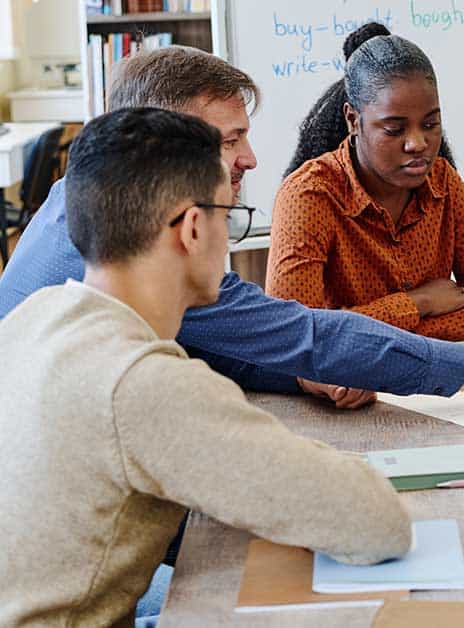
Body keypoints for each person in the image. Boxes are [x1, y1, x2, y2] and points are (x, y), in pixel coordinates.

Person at [0, 45, 464, 407]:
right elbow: (304, 332)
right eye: (230, 139)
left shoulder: (75, 201)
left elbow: (230, 346)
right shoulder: (142, 243)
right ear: (164, 144)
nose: (251, 159)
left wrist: (309, 376)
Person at [0, 108, 416, 627]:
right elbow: (375, 523)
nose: (228, 235)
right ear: (193, 228)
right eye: (229, 215)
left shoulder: (30, 321)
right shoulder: (141, 380)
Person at [266, 24, 464, 341]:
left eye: (431, 124)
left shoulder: (443, 181)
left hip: (427, 381)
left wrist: (397, 340)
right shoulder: (308, 195)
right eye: (394, 129)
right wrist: (420, 302)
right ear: (353, 120)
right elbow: (295, 336)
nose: (418, 143)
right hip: (342, 387)